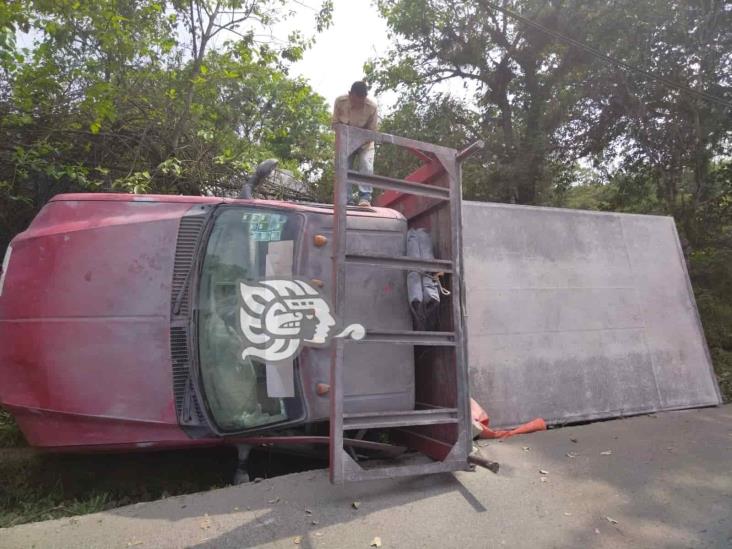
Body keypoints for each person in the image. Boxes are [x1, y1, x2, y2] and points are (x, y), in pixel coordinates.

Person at [332, 81, 378, 206]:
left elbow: (372, 132)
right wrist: (345, 141)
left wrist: (360, 141)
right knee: (343, 167)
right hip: (346, 140)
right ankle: (346, 199)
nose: (358, 104)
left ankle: (365, 197)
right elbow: (335, 124)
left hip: (365, 142)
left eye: (361, 101)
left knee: (366, 165)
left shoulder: (372, 107)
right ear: (350, 94)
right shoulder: (340, 102)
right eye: (355, 100)